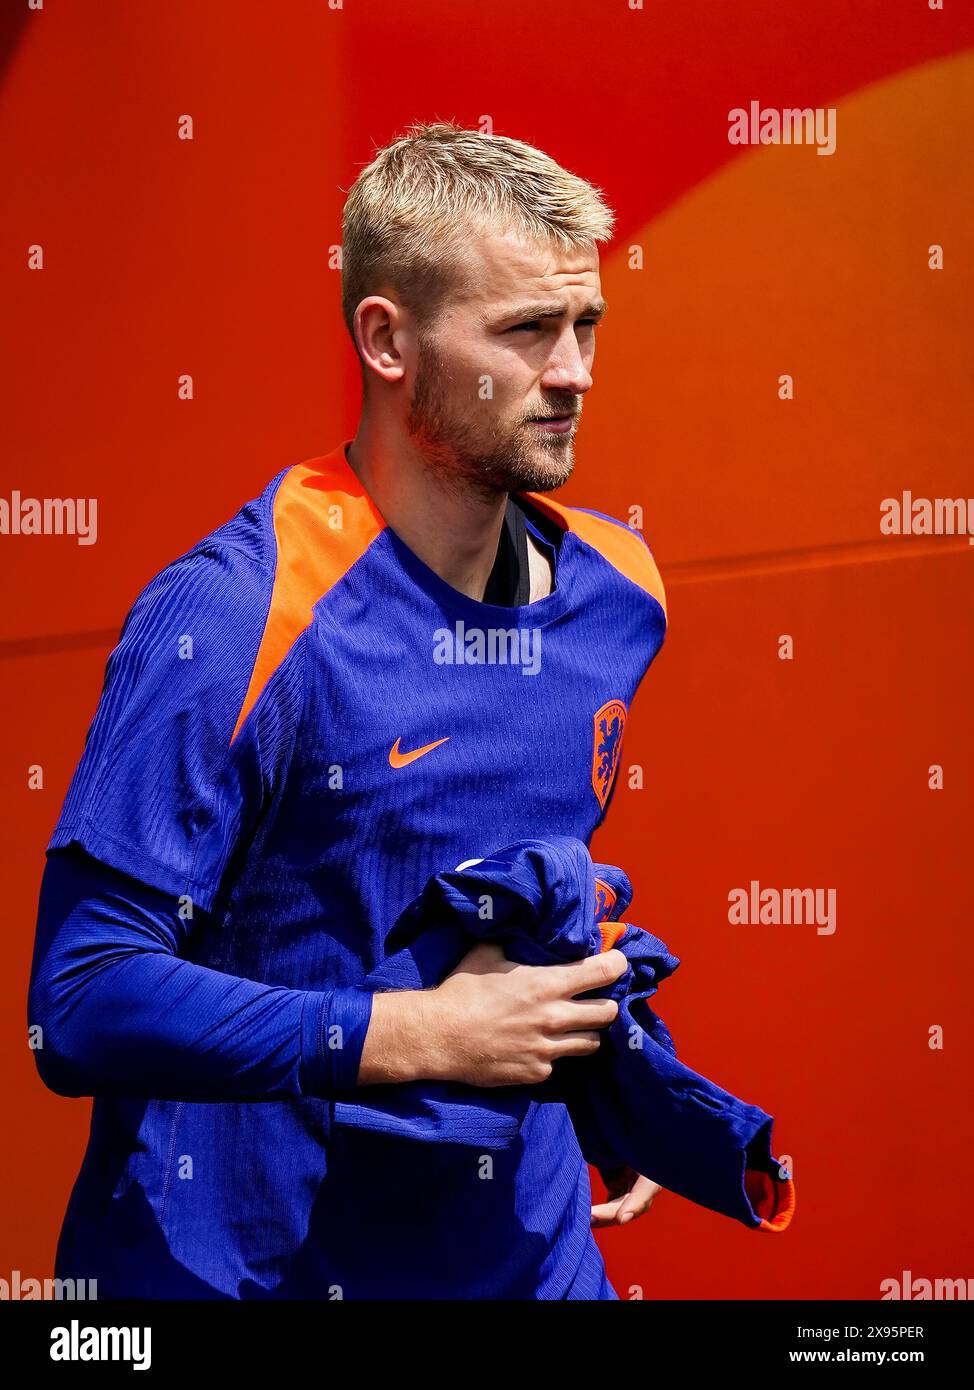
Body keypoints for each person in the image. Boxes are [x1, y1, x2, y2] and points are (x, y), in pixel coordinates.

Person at [28, 120, 669, 1300]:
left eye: (585, 325)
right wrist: (429, 1037)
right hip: (239, 1272)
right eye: (525, 330)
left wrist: (591, 1064)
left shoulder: (620, 589)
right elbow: (78, 1002)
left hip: (525, 1261)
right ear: (387, 338)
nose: (573, 370)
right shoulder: (234, 615)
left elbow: (488, 885)